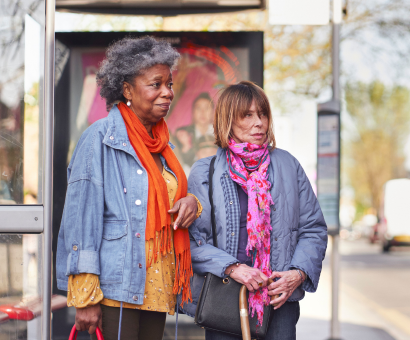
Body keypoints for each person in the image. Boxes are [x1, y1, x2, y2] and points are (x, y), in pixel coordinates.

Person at [55, 36, 202, 340]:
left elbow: (170, 199)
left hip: (157, 287)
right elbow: (82, 222)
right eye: (156, 84)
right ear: (127, 90)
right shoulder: (99, 138)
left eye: (170, 84)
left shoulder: (163, 146)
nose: (167, 93)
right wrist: (85, 296)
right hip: (116, 288)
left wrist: (192, 203)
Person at [182, 81, 328, 340]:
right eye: (247, 115)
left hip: (278, 303)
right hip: (224, 299)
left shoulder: (288, 165)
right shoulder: (206, 171)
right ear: (228, 119)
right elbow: (192, 241)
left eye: (262, 114)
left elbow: (313, 229)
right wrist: (232, 267)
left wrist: (297, 273)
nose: (259, 122)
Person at [174, 92, 216, 168]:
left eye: (207, 108)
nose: (202, 112)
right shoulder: (183, 133)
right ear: (193, 112)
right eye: (198, 108)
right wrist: (186, 147)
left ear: (212, 112)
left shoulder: (220, 133)